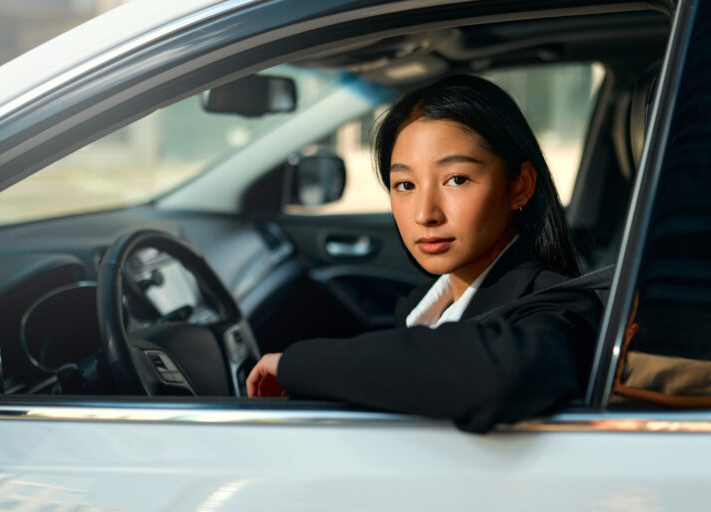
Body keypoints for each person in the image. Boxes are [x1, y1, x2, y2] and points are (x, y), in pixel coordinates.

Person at [245, 74, 603, 432]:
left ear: (519, 186)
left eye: (456, 179)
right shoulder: (421, 307)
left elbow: (492, 376)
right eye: (405, 185)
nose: (424, 214)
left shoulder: (560, 310)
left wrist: (300, 365)